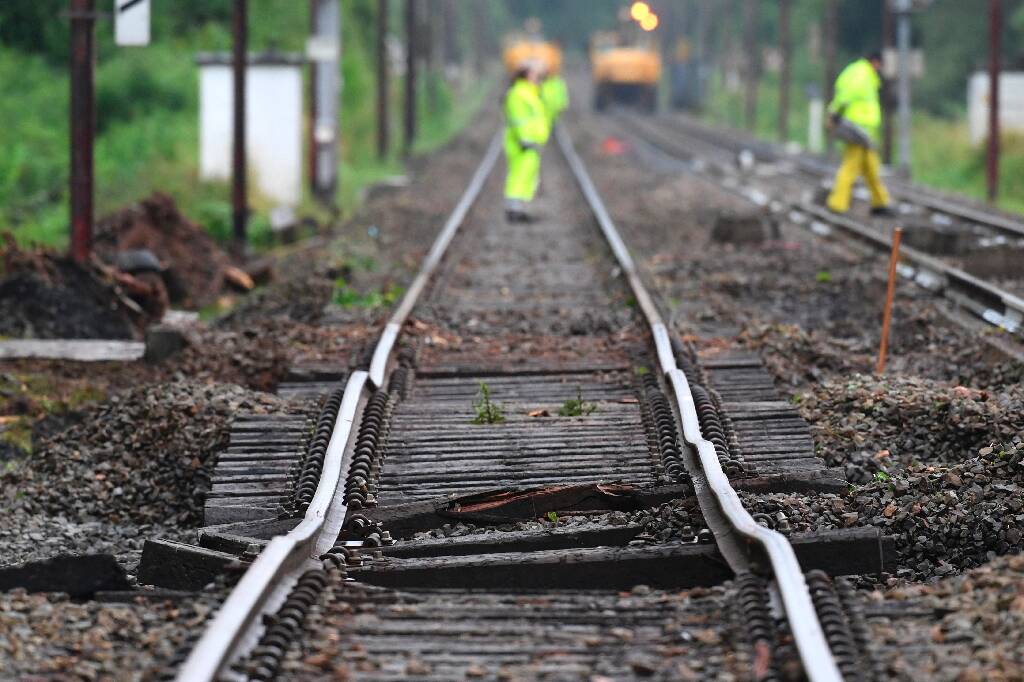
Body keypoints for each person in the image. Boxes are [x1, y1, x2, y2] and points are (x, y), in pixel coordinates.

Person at [826, 51, 894, 217]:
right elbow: (846, 95)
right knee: (850, 166)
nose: (879, 69)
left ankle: (880, 202)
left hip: (865, 129)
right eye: (880, 65)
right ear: (875, 62)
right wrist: (834, 113)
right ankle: (837, 203)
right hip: (857, 128)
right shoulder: (862, 73)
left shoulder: (860, 72)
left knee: (871, 168)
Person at [504, 62, 550, 222]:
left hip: (531, 143)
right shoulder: (519, 93)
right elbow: (518, 118)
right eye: (535, 74)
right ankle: (514, 209)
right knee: (519, 175)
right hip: (522, 143)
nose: (538, 77)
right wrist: (524, 139)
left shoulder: (530, 92)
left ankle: (520, 208)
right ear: (527, 75)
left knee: (527, 175)